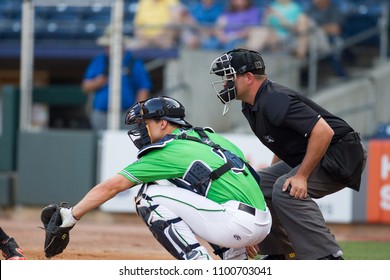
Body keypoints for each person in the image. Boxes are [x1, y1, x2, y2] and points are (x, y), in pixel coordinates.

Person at [55, 96, 272, 260]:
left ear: (163, 123)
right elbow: (248, 178)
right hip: (260, 221)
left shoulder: (169, 149)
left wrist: (72, 216)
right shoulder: (209, 136)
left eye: (145, 123)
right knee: (188, 187)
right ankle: (237, 258)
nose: (141, 129)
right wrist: (246, 232)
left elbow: (113, 186)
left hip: (237, 223)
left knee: (147, 196)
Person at [209, 48, 367, 260]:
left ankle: (328, 257)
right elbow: (283, 145)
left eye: (229, 77)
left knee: (286, 189)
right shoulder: (251, 105)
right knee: (255, 184)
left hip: (342, 154)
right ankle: (283, 253)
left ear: (248, 78)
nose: (225, 83)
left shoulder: (274, 98)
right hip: (324, 152)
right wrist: (276, 170)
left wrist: (300, 176)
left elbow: (323, 132)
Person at [82, 26, 152, 130]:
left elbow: (143, 88)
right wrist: (98, 82)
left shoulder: (133, 62)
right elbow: (86, 86)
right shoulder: (100, 61)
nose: (108, 48)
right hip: (101, 113)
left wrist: (138, 114)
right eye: (107, 46)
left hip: (125, 114)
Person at [306, 0, 347, 78]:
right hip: (312, 38)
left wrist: (317, 30)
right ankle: (306, 77)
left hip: (329, 39)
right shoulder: (311, 9)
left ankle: (341, 74)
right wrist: (322, 29)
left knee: (334, 46)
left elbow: (335, 29)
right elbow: (303, 25)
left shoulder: (334, 10)